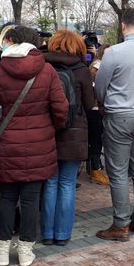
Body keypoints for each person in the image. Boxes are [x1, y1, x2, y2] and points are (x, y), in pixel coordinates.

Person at [0, 26, 68, 266]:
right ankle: (26, 252)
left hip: (8, 144)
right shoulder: (47, 70)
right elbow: (60, 108)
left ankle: (1, 251)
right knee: (31, 200)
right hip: (39, 145)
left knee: (7, 198)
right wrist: (51, 128)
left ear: (12, 41)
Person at [94, 8, 134, 241]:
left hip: (119, 114)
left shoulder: (114, 52)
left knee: (118, 171)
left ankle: (121, 224)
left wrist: (103, 102)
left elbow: (100, 85)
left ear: (122, 26)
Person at [41, 30, 95, 246]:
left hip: (47, 131)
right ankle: (62, 234)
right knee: (67, 184)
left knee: (50, 183)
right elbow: (89, 104)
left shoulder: (44, 67)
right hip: (74, 133)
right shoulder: (81, 70)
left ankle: (46, 232)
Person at [87, 44, 111, 185]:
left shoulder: (104, 67)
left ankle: (96, 167)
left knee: (98, 139)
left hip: (102, 108)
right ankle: (95, 169)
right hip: (96, 108)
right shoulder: (96, 68)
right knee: (96, 139)